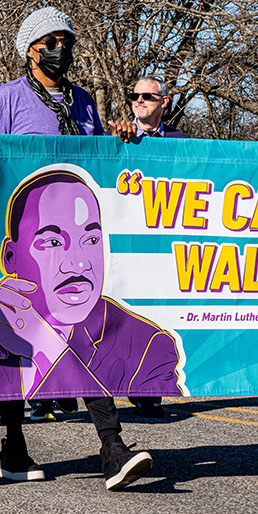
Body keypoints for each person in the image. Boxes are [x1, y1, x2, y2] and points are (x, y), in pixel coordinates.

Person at [0, 6, 154, 491]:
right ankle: (12, 442)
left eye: (67, 41)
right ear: (29, 49)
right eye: (51, 40)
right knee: (13, 341)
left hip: (72, 245)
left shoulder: (84, 101)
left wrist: (122, 139)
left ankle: (112, 447)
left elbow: (96, 165)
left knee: (87, 333)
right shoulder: (4, 100)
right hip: (28, 245)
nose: (61, 49)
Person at [0, 168, 184, 398]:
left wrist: (47, 350)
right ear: (10, 258)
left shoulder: (149, 348)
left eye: (91, 240)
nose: (77, 263)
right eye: (53, 242)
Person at [108, 76, 189, 418]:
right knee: (123, 312)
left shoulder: (181, 141)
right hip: (122, 238)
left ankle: (148, 388)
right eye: (135, 96)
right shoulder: (116, 136)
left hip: (163, 241)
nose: (139, 101)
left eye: (148, 96)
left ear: (164, 102)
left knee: (155, 313)